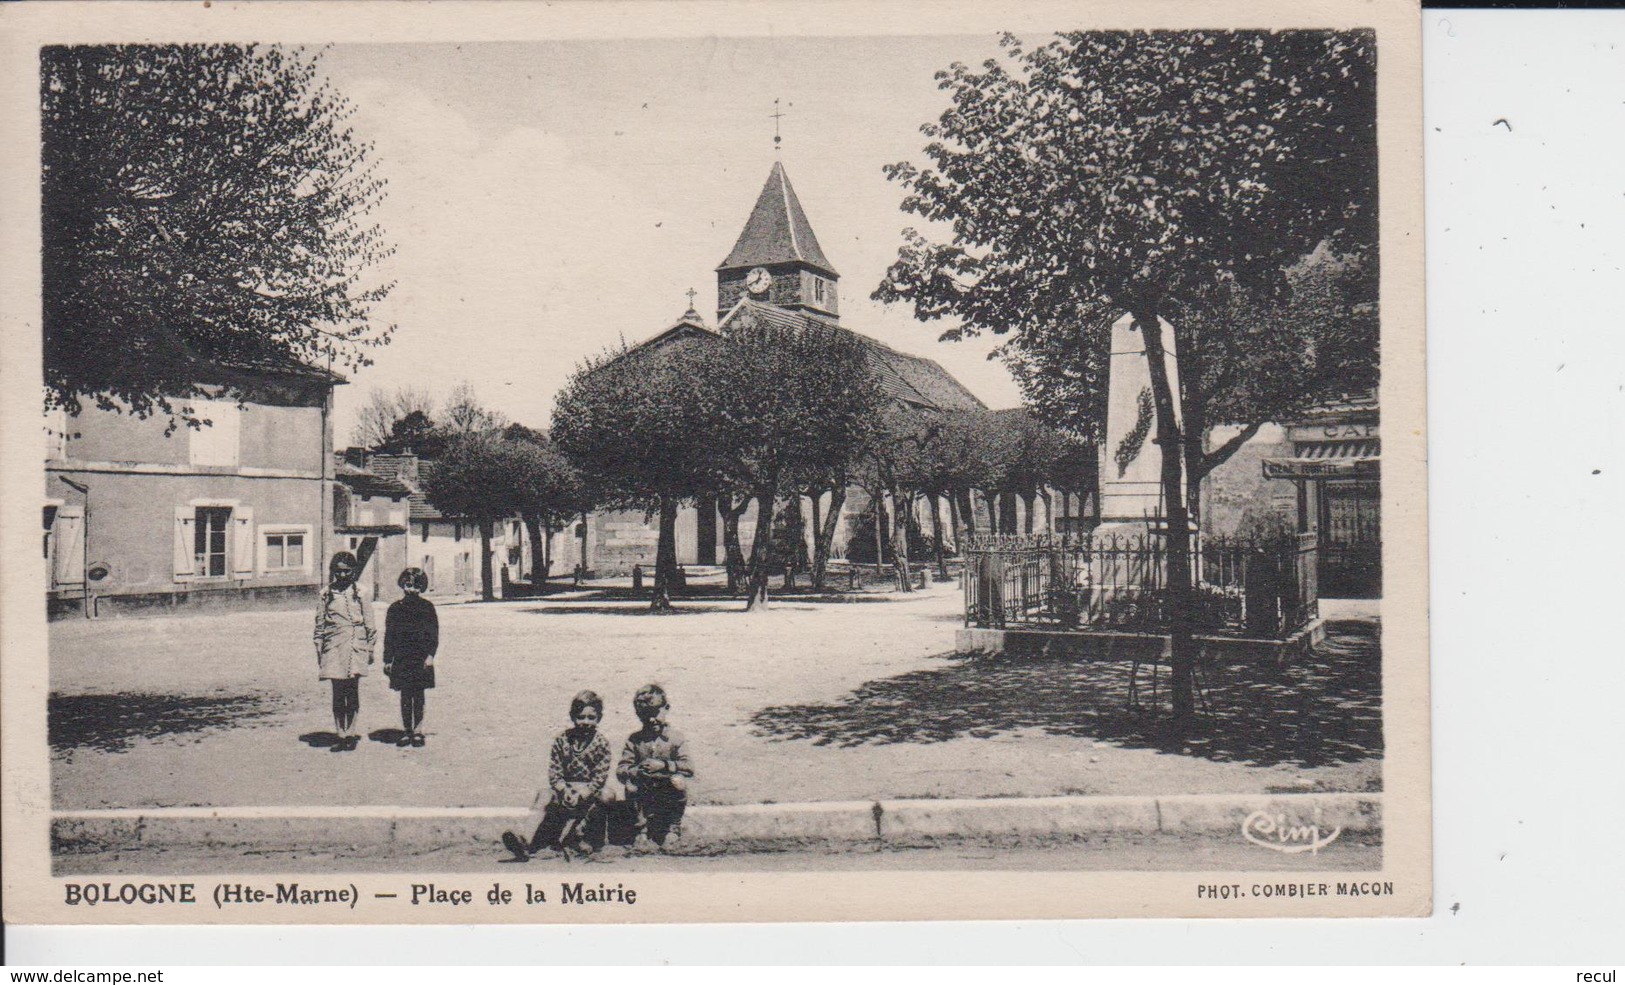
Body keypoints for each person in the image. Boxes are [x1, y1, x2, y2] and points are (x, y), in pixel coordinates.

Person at [502, 690, 613, 862]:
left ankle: (590, 840)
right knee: (544, 794)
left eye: (591, 717)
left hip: (589, 791)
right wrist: (563, 790)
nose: (585, 722)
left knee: (608, 794)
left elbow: (600, 776)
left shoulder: (601, 743)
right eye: (581, 717)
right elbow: (555, 773)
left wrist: (583, 793)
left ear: (599, 718)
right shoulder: (562, 740)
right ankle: (524, 840)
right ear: (572, 716)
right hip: (566, 790)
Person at [616, 683, 692, 852]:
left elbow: (688, 767)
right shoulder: (635, 740)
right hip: (645, 792)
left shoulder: (675, 738)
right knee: (630, 785)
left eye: (656, 713)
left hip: (668, 791)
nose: (652, 720)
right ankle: (641, 831)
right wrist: (636, 770)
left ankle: (673, 830)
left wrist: (665, 765)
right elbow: (621, 769)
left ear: (666, 708)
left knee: (678, 780)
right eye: (645, 715)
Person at [314, 551, 375, 752]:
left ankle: (351, 733)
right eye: (338, 571)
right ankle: (340, 734)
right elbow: (319, 626)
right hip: (333, 647)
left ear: (354, 571)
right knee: (338, 692)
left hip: (356, 646)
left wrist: (370, 649)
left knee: (352, 690)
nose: (342, 576)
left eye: (346, 571)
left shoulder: (361, 592)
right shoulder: (326, 593)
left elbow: (370, 625)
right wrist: (320, 651)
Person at [382, 567, 438, 748]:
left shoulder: (427, 607)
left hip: (420, 657)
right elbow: (389, 635)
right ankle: (407, 730)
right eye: (408, 585)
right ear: (402, 585)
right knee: (405, 695)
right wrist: (387, 659)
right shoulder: (395, 609)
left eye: (415, 586)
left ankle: (418, 731)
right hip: (402, 657)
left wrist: (430, 655)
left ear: (421, 588)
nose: (411, 589)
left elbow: (433, 634)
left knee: (419, 694)